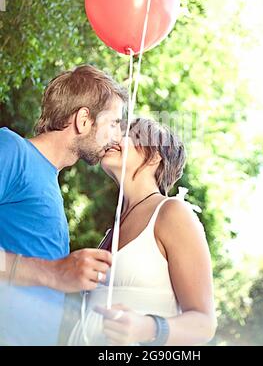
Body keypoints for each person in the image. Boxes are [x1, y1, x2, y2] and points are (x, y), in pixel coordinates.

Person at [0, 64, 127, 345]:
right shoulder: (12, 150)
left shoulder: (48, 180)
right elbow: (48, 275)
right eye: (114, 124)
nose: (118, 137)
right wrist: (54, 273)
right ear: (84, 120)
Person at [68, 118, 217, 346]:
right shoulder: (111, 230)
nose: (114, 138)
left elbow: (204, 325)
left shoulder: (172, 213)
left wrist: (147, 328)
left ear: (156, 156)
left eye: (132, 135)